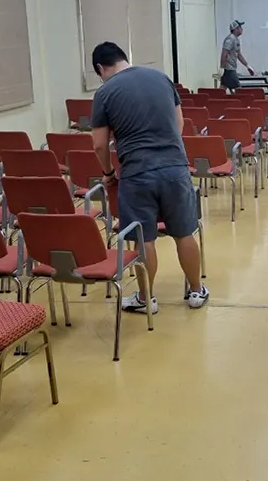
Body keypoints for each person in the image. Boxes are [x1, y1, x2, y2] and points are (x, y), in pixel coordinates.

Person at [89, 42, 209, 313]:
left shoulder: (105, 92)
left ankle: (146, 298)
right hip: (175, 167)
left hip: (137, 172)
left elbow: (99, 144)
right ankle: (195, 291)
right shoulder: (161, 78)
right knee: (184, 232)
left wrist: (108, 173)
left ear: (100, 68)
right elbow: (179, 123)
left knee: (145, 238)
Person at [220, 20, 255, 92]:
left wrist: (247, 66)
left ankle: (216, 98)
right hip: (229, 69)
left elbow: (239, 54)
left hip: (230, 69)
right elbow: (224, 53)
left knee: (222, 89)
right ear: (235, 29)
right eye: (240, 27)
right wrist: (222, 67)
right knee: (239, 91)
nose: (242, 29)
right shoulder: (230, 39)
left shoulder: (236, 40)